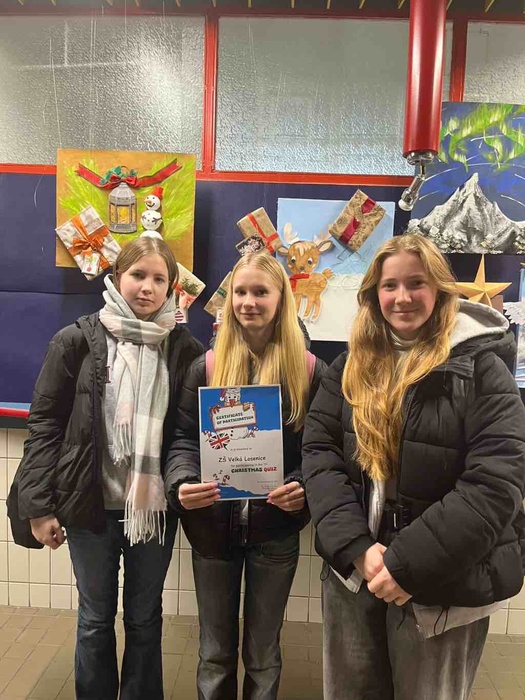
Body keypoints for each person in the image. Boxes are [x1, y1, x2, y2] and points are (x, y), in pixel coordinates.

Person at [302, 233, 525, 700]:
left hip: (445, 585)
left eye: (416, 283)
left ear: (440, 289)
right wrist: (358, 550)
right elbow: (320, 457)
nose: (402, 297)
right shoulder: (349, 366)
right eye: (390, 285)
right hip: (355, 577)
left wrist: (406, 565)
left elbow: (496, 483)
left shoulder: (482, 370)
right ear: (374, 294)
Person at [7, 237, 204, 700]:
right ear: (117, 278)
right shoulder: (75, 341)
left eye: (159, 279)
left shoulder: (184, 348)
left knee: (145, 618)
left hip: (152, 511)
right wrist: (38, 507)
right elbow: (45, 426)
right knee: (95, 619)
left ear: (171, 288)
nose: (147, 287)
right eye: (138, 275)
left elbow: (191, 432)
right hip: (88, 506)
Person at [164, 250, 326, 700]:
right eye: (240, 292)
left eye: (260, 292)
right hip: (212, 531)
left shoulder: (309, 372)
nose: (248, 302)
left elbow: (323, 451)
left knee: (263, 653)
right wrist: (182, 483)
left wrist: (304, 487)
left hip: (275, 532)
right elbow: (182, 440)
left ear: (281, 298)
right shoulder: (207, 367)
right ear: (229, 298)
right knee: (214, 653)